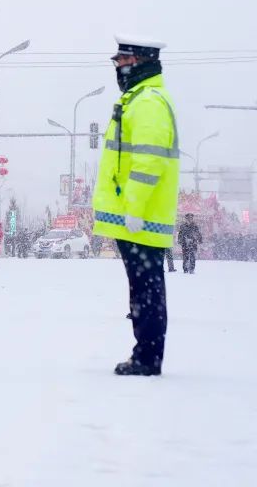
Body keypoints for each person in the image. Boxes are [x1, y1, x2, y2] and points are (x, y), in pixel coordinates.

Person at [93, 36, 180, 377]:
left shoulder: (148, 102)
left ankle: (147, 357)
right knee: (143, 289)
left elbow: (149, 161)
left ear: (140, 62)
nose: (118, 68)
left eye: (122, 62)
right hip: (138, 217)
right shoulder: (138, 99)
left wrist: (135, 207)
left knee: (146, 290)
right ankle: (145, 353)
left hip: (141, 218)